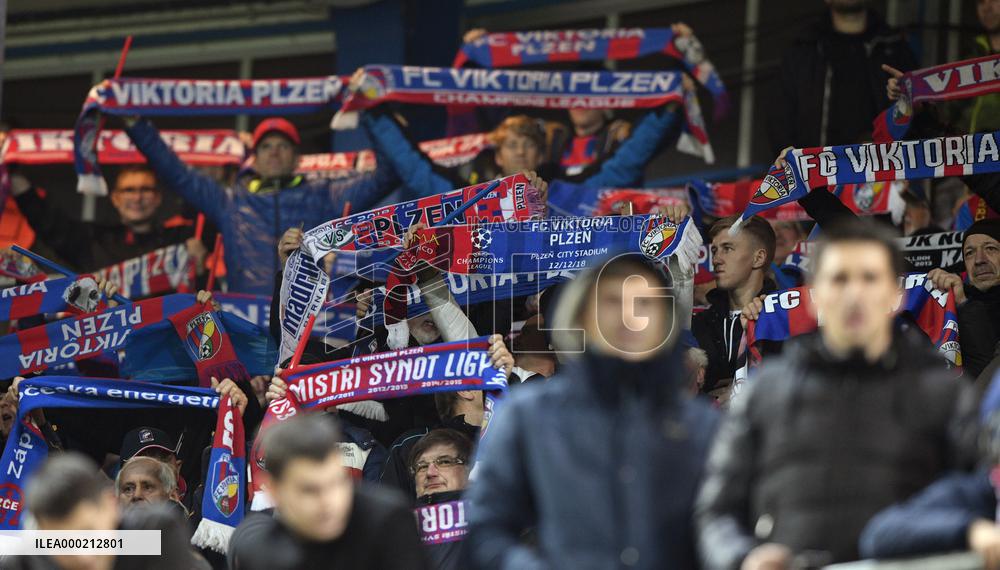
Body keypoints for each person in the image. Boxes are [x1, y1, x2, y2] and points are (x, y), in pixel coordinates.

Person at [695, 218, 978, 569]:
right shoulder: (765, 393)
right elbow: (717, 512)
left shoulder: (943, 394)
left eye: (869, 278)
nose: (854, 295)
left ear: (895, 292)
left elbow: (980, 494)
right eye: (839, 279)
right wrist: (743, 557)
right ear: (815, 295)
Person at [466, 254, 720, 569]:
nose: (630, 317)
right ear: (582, 318)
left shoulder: (700, 423)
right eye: (612, 302)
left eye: (644, 303)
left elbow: (725, 522)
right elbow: (485, 529)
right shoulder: (528, 415)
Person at [124, 116, 401, 295]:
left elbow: (386, 176)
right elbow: (177, 173)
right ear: (254, 159)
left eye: (283, 145)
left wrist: (373, 117)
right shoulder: (230, 202)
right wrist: (136, 126)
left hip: (312, 323)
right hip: (247, 323)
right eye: (266, 146)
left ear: (296, 158)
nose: (275, 151)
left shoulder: (326, 194)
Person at [227, 414, 428, 570]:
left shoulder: (388, 520)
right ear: (273, 490)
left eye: (336, 483)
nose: (328, 501)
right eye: (310, 490)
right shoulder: (260, 548)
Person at [10, 452, 208, 570]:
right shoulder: (26, 561)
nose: (84, 556)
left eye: (88, 533)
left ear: (109, 506)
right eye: (66, 544)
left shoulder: (155, 535)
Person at [767, 0, 916, 154]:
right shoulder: (803, 50)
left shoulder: (896, 48)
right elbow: (779, 122)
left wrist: (909, 95)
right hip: (819, 172)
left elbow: (924, 119)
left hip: (885, 170)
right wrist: (794, 166)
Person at [10, 166, 202, 272]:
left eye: (146, 189)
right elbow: (46, 220)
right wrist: (10, 173)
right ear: (115, 198)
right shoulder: (92, 240)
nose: (137, 197)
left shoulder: (183, 239)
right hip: (107, 341)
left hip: (164, 340)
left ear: (158, 197)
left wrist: (198, 258)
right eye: (129, 190)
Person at [690, 215, 777, 398]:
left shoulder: (782, 320)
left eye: (727, 249)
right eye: (714, 251)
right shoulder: (699, 324)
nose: (716, 260)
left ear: (758, 258)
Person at [926, 220, 1000, 384]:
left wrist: (963, 304)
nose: (979, 260)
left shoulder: (961, 302)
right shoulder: (949, 300)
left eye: (990, 249)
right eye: (969, 253)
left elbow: (989, 370)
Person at [410, 429, 473, 570]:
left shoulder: (493, 517)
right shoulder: (398, 526)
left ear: (469, 469)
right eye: (422, 466)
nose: (430, 473)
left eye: (444, 462)